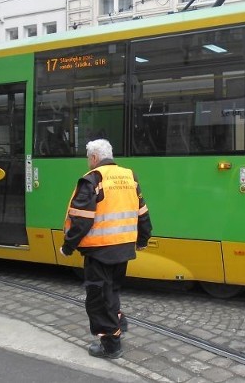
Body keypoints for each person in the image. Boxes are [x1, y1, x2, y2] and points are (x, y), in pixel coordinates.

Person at [60, 139, 152, 359]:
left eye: (88, 158)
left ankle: (111, 345)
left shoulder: (93, 180)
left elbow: (82, 220)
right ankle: (118, 321)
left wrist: (68, 246)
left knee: (98, 299)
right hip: (124, 247)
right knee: (110, 291)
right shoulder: (129, 176)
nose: (88, 162)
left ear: (94, 158)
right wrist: (143, 238)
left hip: (100, 250)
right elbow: (142, 212)